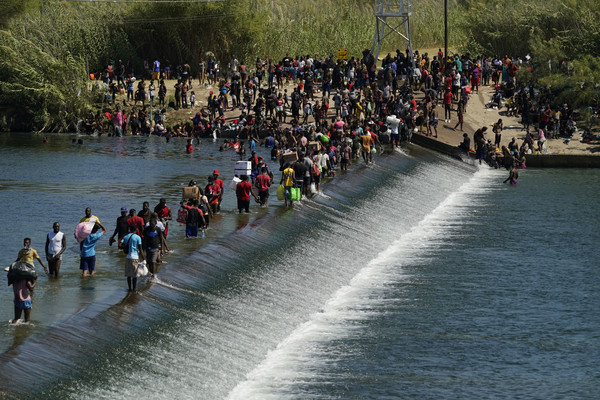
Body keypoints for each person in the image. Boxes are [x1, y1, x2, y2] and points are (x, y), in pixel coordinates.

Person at [11, 238, 45, 323]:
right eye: (25, 242)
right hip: (24, 270)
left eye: (27, 243)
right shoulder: (21, 251)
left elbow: (39, 259)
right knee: (29, 287)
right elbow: (17, 260)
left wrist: (44, 266)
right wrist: (12, 266)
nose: (26, 244)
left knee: (25, 287)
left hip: (30, 271)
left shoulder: (33, 251)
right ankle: (27, 296)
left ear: (29, 244)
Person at [120, 225, 144, 291]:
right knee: (134, 275)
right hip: (135, 257)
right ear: (136, 229)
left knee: (128, 274)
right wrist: (144, 258)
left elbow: (120, 245)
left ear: (130, 229)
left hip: (128, 257)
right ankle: (134, 288)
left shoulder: (126, 237)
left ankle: (129, 288)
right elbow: (140, 249)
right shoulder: (138, 237)